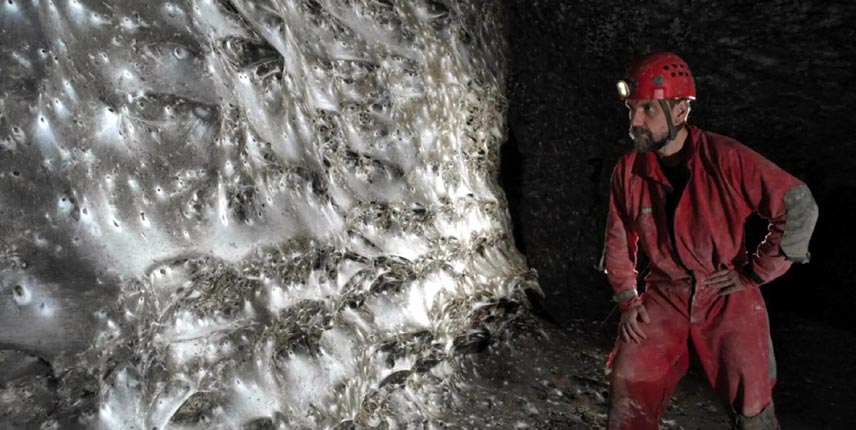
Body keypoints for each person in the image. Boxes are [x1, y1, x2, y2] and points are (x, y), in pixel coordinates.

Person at [600, 52, 819, 430]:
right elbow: (618, 240)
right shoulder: (629, 170)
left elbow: (797, 204)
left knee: (752, 403)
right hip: (664, 293)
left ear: (680, 110)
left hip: (724, 291)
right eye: (632, 109)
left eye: (647, 109)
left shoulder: (725, 157)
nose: (635, 121)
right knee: (629, 380)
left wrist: (756, 272)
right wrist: (627, 299)